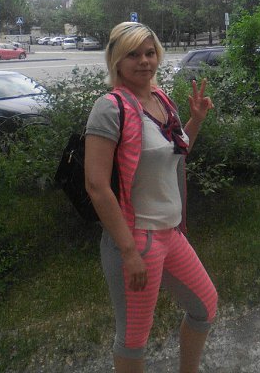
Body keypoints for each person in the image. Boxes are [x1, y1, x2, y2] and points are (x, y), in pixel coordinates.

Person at [85, 22, 217, 373]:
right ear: (116, 59)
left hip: (169, 233)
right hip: (136, 239)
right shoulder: (110, 108)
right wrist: (128, 251)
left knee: (205, 306)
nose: (144, 61)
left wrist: (195, 121)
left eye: (149, 52)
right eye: (133, 54)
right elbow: (96, 185)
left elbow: (175, 153)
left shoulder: (160, 100)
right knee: (133, 339)